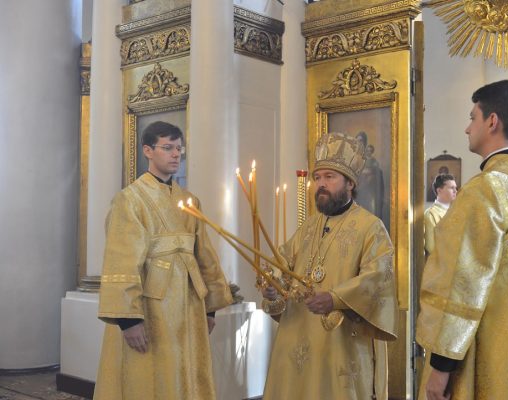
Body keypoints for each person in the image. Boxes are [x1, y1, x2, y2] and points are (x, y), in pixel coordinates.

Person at [416, 80, 508, 400]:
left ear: (492, 121)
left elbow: (461, 284)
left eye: (473, 117)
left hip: (489, 351)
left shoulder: (485, 189)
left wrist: (441, 367)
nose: (467, 128)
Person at [93, 121, 233, 400]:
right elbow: (121, 260)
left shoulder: (189, 201)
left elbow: (204, 254)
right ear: (148, 150)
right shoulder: (129, 199)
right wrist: (127, 321)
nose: (175, 154)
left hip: (189, 306)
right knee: (149, 375)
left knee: (187, 372)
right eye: (167, 148)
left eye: (179, 148)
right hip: (151, 309)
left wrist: (210, 308)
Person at [262, 132, 399, 400]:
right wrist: (273, 288)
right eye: (317, 178)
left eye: (329, 177)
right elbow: (283, 265)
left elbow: (378, 278)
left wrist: (335, 298)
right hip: (296, 337)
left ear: (350, 183)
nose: (321, 184)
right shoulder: (309, 226)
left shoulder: (370, 227)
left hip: (340, 343)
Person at [424, 174, 457, 255]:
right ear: (439, 190)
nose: (455, 191)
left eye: (455, 188)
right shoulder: (431, 214)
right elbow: (431, 247)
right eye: (451, 188)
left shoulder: (457, 211)